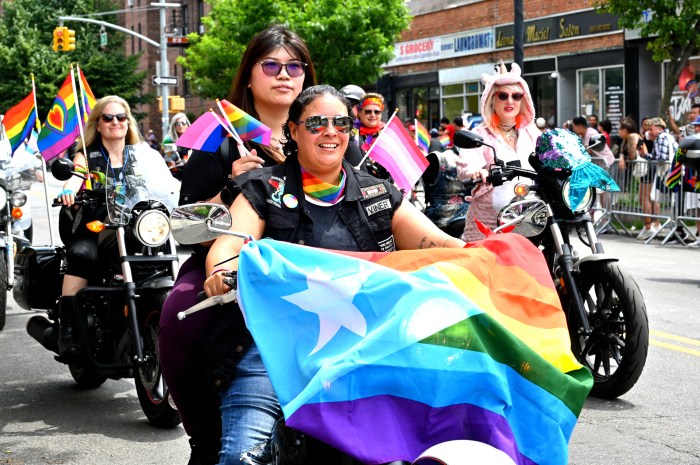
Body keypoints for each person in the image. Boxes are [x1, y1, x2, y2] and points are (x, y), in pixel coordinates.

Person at [202, 85, 466, 465]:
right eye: (316, 123)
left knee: (432, 439)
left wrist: (492, 255)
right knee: (240, 457)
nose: (330, 131)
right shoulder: (262, 187)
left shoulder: (379, 192)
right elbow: (227, 247)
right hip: (271, 350)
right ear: (293, 130)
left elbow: (435, 243)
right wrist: (224, 272)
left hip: (367, 349)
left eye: (341, 122)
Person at [158, 24, 316, 465]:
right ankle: (204, 437)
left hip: (314, 260)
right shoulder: (217, 140)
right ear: (249, 75)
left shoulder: (325, 131)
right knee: (178, 322)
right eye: (271, 65)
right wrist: (232, 186)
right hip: (228, 263)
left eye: (293, 66)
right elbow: (185, 224)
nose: (283, 74)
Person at [56, 95, 173, 359]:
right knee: (80, 255)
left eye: (121, 117)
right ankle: (70, 331)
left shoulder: (143, 155)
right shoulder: (88, 155)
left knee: (161, 248)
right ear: (97, 124)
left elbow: (164, 182)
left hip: (134, 224)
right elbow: (77, 176)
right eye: (108, 118)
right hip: (96, 226)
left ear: (128, 121)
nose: (115, 122)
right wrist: (69, 190)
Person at [455, 62, 540, 242]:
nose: (510, 101)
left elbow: (551, 154)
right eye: (503, 95)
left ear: (523, 100)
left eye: (516, 96)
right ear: (492, 99)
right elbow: (465, 166)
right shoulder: (480, 134)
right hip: (489, 222)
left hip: (530, 215)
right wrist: (476, 172)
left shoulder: (531, 132)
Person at [636, 117, 678, 240]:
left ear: (659, 129)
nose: (649, 131)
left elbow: (662, 158)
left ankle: (672, 227)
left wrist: (647, 156)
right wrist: (647, 155)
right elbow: (657, 156)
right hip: (669, 171)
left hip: (669, 171)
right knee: (658, 196)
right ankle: (673, 228)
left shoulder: (662, 137)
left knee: (665, 198)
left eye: (651, 129)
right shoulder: (662, 137)